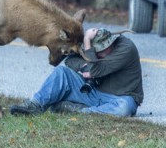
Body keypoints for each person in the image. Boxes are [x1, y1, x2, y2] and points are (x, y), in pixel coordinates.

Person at [9, 28, 144, 117]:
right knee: (62, 73)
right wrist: (86, 66)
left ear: (110, 43)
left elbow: (95, 69)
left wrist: (87, 44)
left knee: (125, 108)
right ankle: (35, 105)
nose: (97, 55)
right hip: (92, 92)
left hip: (120, 97)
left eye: (100, 52)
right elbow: (70, 60)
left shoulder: (126, 49)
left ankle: (80, 111)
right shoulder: (93, 48)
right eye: (94, 51)